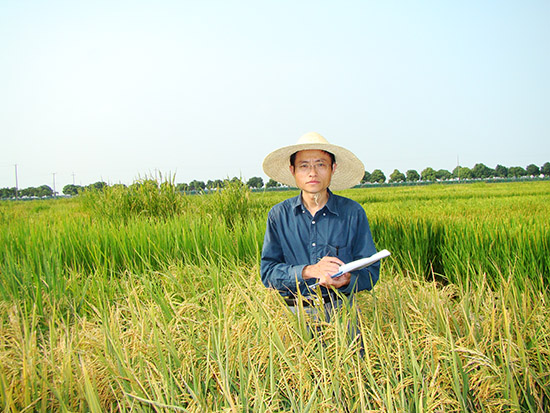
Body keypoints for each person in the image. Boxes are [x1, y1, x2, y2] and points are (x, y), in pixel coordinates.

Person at [260, 132, 379, 321]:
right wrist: (308, 271)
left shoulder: (352, 213)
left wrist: (348, 280)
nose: (312, 173)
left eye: (321, 164)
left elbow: (371, 272)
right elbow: (268, 273)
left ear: (333, 168)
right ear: (293, 170)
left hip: (342, 312)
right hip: (295, 315)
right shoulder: (279, 215)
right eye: (304, 166)